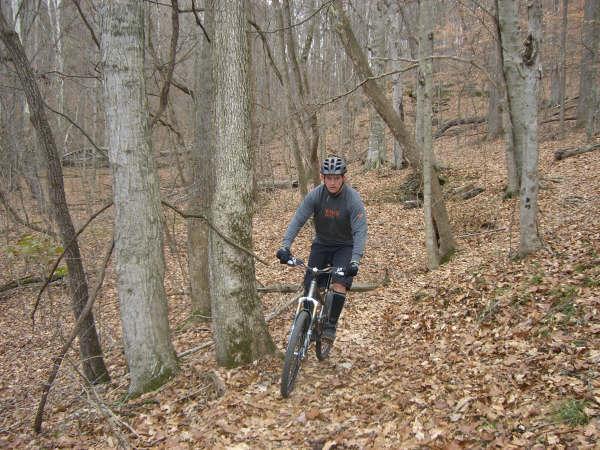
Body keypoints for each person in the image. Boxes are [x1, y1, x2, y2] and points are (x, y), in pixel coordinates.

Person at [276, 155, 368, 341]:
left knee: (339, 283)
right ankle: (306, 322)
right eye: (329, 178)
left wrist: (355, 260)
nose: (332, 182)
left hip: (345, 246)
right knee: (311, 281)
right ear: (323, 178)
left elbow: (360, 231)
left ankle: (331, 325)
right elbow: (298, 220)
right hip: (322, 244)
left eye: (336, 178)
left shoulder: (352, 199)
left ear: (343, 178)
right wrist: (285, 246)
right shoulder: (316, 195)